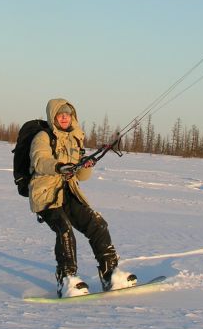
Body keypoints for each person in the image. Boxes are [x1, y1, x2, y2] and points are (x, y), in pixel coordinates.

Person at [28, 98, 136, 297]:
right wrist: (59, 166)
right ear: (53, 117)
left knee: (97, 224)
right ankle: (67, 280)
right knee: (65, 229)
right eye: (60, 114)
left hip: (69, 192)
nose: (64, 117)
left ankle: (110, 273)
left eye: (67, 114)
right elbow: (40, 161)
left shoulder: (75, 139)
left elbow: (80, 177)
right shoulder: (43, 137)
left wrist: (86, 166)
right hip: (45, 194)